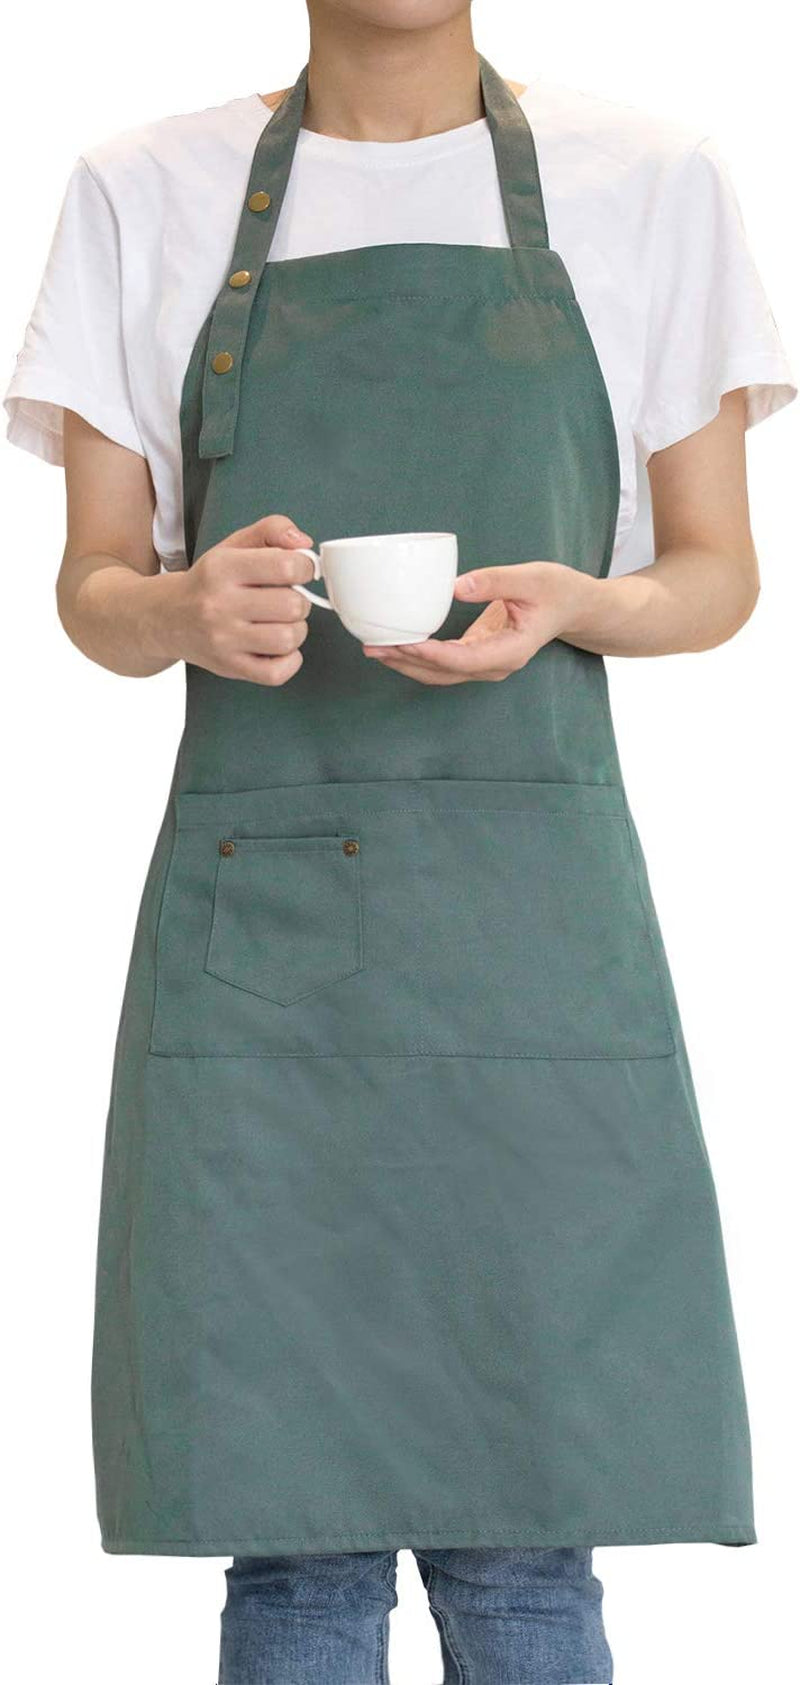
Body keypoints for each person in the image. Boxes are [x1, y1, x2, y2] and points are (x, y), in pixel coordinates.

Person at [4, 3, 796, 1682]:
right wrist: (180, 605)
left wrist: (582, 601)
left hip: (533, 933)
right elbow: (93, 584)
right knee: (292, 1537)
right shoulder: (141, 187)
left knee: (532, 1530)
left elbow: (717, 570)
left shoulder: (651, 177)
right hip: (265, 955)